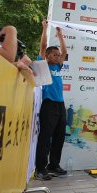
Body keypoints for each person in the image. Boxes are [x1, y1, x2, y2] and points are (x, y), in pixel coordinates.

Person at [34, 21, 67, 180]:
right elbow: (43, 46)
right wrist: (45, 29)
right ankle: (40, 169)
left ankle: (53, 164)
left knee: (60, 136)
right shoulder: (43, 65)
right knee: (45, 137)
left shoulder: (58, 67)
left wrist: (60, 36)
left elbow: (65, 52)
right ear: (46, 56)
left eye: (58, 54)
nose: (57, 56)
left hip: (61, 105)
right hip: (48, 105)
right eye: (54, 54)